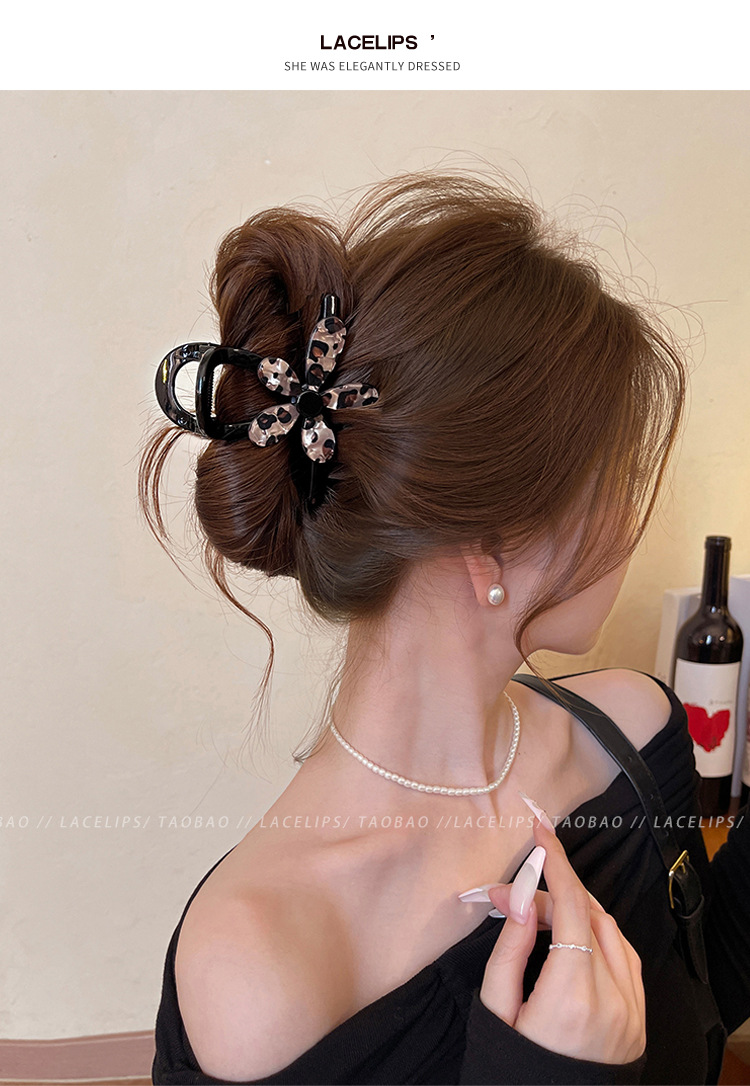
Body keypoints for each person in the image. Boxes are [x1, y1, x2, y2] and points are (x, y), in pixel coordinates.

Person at [141, 172, 748, 1085]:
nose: (634, 520)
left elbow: (704, 991)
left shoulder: (633, 734)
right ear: (490, 546)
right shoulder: (260, 969)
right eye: (615, 482)